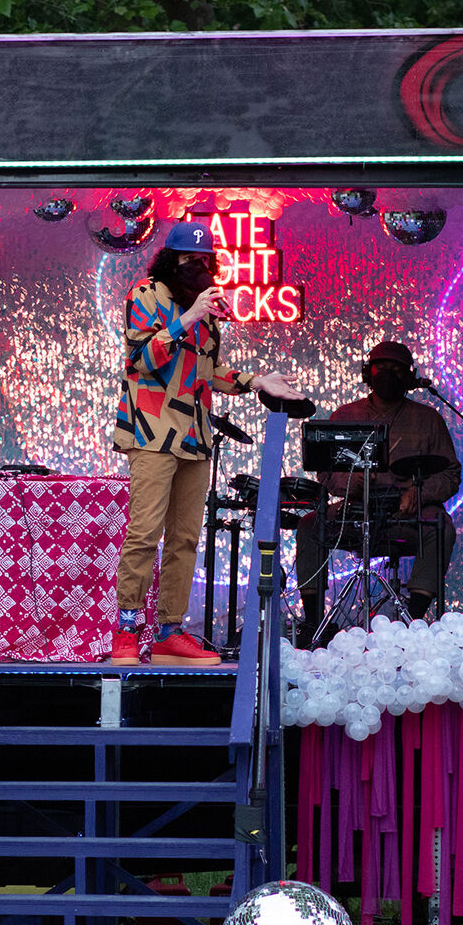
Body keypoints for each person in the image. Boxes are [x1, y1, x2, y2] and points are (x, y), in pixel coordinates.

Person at [111, 220, 304, 665]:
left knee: (184, 539)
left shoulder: (207, 313)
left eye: (204, 260)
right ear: (169, 260)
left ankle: (168, 632)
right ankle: (126, 630)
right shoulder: (146, 294)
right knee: (145, 532)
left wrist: (258, 381)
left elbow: (207, 373)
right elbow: (142, 360)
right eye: (188, 260)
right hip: (153, 431)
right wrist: (190, 316)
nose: (198, 267)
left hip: (196, 436)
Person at [292, 340, 460, 645]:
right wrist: (351, 485)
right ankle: (314, 623)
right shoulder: (346, 415)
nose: (389, 374)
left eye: (397, 370)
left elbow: (450, 474)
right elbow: (325, 471)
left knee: (441, 526)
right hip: (356, 512)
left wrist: (418, 494)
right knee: (308, 526)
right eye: (382, 368)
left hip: (406, 514)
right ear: (368, 372)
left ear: (409, 377)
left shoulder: (428, 419)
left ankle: (413, 620)